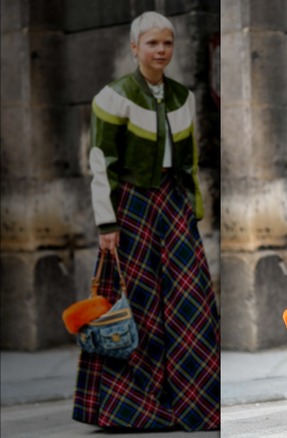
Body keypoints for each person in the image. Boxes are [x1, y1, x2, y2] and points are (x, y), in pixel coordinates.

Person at [73, 11, 220, 431]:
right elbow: (101, 164)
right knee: (136, 305)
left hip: (174, 207)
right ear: (134, 47)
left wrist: (193, 209)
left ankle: (191, 403)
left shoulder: (183, 97)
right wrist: (106, 223)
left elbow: (189, 161)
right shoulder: (112, 97)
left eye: (167, 43)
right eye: (152, 43)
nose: (161, 50)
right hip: (131, 207)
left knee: (190, 303)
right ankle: (133, 408)